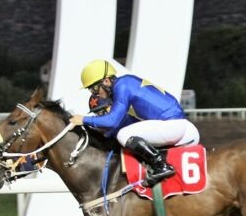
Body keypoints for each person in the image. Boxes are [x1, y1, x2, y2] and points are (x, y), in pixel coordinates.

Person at [70, 59, 199, 186]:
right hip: (178, 125)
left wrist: (83, 120)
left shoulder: (122, 87)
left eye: (94, 89)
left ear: (107, 81)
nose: (95, 94)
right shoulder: (126, 82)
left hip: (172, 126)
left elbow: (112, 121)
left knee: (123, 135)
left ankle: (161, 165)